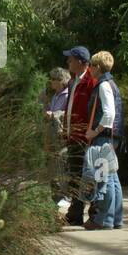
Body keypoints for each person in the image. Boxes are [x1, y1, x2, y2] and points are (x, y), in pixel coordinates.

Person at [83, 51, 124, 230]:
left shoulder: (103, 85)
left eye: (91, 65)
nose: (89, 69)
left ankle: (102, 220)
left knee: (102, 178)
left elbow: (108, 114)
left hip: (103, 138)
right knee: (112, 177)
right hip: (112, 137)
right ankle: (115, 219)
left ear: (97, 67)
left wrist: (94, 132)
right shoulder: (111, 84)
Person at [60, 47, 98, 227]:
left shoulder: (92, 81)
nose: (68, 62)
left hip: (86, 137)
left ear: (81, 62)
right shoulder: (72, 81)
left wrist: (92, 132)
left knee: (89, 177)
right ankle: (74, 214)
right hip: (73, 136)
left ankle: (94, 214)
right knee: (74, 176)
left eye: (71, 59)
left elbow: (95, 110)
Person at [40, 67, 70, 202]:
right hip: (51, 138)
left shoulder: (67, 96)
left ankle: (62, 198)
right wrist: (45, 103)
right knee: (52, 169)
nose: (50, 82)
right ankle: (56, 198)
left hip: (60, 140)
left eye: (53, 79)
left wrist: (53, 115)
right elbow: (49, 114)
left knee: (59, 168)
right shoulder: (56, 96)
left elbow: (66, 116)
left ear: (61, 81)